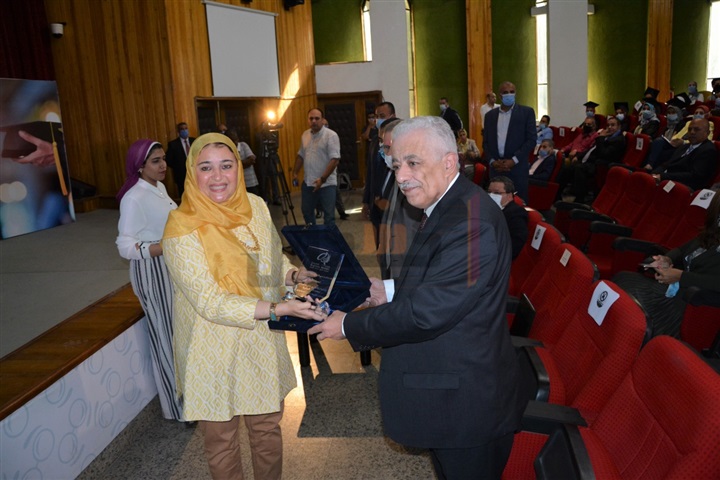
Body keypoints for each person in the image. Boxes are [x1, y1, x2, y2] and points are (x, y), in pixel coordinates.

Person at [309, 116, 524, 480]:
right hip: (451, 396)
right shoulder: (448, 204)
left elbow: (427, 313)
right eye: (396, 166)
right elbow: (438, 281)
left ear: (449, 162)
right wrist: (387, 290)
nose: (402, 176)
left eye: (413, 163)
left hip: (466, 407)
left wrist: (347, 325)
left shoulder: (471, 222)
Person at [162, 133, 324, 479]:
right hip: (211, 347)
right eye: (206, 168)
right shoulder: (181, 227)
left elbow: (269, 262)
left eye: (226, 165)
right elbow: (209, 302)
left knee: (266, 430)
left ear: (239, 168)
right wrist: (279, 309)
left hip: (258, 340)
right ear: (191, 172)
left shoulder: (256, 207)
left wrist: (293, 275)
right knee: (222, 441)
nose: (218, 177)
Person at [116, 139, 183, 422]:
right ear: (140, 166)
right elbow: (124, 246)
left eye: (164, 159)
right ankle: (177, 408)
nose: (163, 165)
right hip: (151, 271)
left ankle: (189, 399)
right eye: (156, 161)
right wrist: (162, 247)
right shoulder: (134, 198)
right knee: (165, 337)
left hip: (168, 268)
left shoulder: (159, 188)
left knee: (177, 335)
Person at [613, 188, 720, 338]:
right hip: (676, 292)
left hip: (693, 306)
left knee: (630, 302)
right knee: (622, 279)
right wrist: (667, 259)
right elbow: (681, 250)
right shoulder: (712, 233)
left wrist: (680, 276)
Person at [483, 80, 537, 203]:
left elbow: (531, 140)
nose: (509, 94)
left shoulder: (526, 113)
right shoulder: (490, 116)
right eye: (505, 92)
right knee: (496, 204)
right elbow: (485, 143)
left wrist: (514, 160)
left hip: (517, 168)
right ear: (500, 95)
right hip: (496, 168)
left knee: (518, 204)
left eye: (512, 92)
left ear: (515, 93)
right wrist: (492, 161)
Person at [556, 116, 626, 204]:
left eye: (613, 125)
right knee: (566, 168)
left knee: (579, 168)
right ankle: (557, 194)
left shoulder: (618, 139)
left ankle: (579, 199)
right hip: (591, 161)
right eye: (608, 125)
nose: (609, 127)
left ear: (619, 127)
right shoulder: (608, 136)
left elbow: (604, 154)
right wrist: (579, 156)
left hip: (601, 164)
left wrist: (601, 138)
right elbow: (591, 150)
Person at [292, 108, 341, 226]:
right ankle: (313, 236)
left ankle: (328, 238)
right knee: (307, 212)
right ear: (308, 120)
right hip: (308, 182)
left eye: (317, 118)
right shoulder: (305, 135)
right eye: (311, 118)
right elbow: (301, 155)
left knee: (329, 216)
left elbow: (335, 160)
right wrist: (295, 173)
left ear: (322, 120)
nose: (314, 121)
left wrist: (322, 179)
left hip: (326, 184)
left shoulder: (331, 135)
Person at [651, 118, 717, 191]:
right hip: (667, 179)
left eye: (696, 129)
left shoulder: (708, 150)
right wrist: (655, 173)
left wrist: (663, 176)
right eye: (689, 129)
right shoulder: (684, 146)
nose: (692, 132)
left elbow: (694, 176)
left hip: (684, 186)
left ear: (707, 133)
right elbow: (668, 163)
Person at [488, 176, 528, 260]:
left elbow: (514, 246)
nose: (491, 195)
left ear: (509, 196)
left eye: (497, 193)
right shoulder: (492, 208)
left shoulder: (516, 214)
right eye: (489, 192)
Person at [166, 122, 194, 198]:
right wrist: (178, 166)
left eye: (186, 128)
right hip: (181, 176)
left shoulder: (194, 141)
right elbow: (169, 160)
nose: (184, 130)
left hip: (194, 174)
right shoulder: (173, 144)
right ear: (178, 131)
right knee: (184, 196)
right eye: (182, 129)